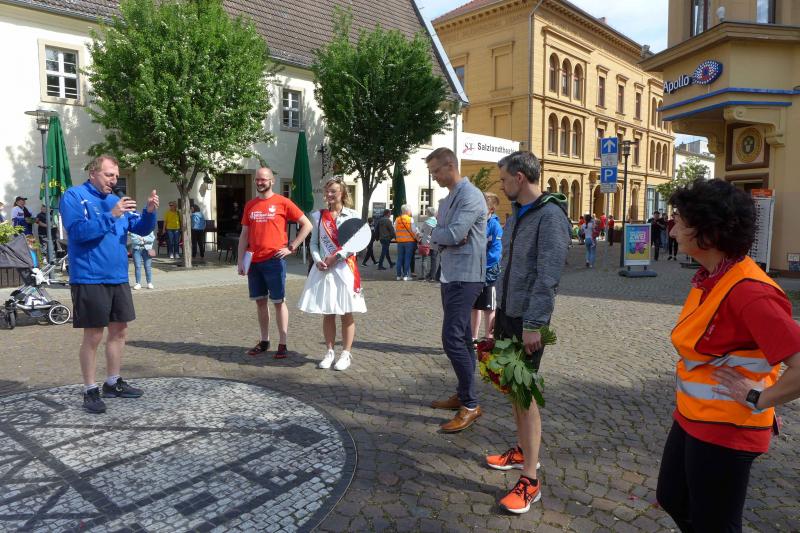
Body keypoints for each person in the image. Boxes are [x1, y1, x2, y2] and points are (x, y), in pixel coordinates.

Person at [655, 178, 800, 532]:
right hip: (693, 417)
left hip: (728, 429)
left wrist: (759, 398)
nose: (672, 231)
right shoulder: (712, 277)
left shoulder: (750, 292)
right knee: (673, 498)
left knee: (715, 524)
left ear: (708, 232)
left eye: (680, 222)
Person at [484, 151, 570, 514]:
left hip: (529, 322)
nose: (502, 185)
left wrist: (534, 323)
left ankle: (530, 481)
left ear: (520, 178)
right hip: (509, 314)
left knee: (525, 392)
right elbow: (508, 266)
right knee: (512, 388)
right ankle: (521, 451)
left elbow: (547, 276)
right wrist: (498, 310)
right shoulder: (518, 212)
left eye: (504, 179)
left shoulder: (550, 216)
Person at [59, 155, 159, 414]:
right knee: (93, 335)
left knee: (120, 331)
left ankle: (113, 382)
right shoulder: (74, 196)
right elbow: (77, 232)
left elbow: (140, 228)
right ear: (93, 173)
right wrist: (111, 214)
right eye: (108, 175)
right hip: (89, 277)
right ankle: (90, 389)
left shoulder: (117, 200)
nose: (114, 180)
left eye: (116, 175)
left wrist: (149, 211)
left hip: (118, 277)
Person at [426, 147, 487, 433]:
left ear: (450, 166)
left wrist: (439, 236)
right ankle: (464, 395)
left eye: (436, 171)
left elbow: (453, 234)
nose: (434, 177)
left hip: (466, 276)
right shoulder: (449, 198)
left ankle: (471, 405)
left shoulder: (470, 195)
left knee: (451, 338)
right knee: (461, 338)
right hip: (451, 274)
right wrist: (442, 236)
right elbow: (445, 235)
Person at [238, 167, 312, 359]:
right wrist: (240, 261)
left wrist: (292, 246)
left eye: (263, 179)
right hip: (254, 261)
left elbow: (307, 224)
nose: (260, 182)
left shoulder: (282, 202)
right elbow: (244, 234)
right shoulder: (250, 205)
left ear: (272, 181)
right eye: (257, 179)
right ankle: (264, 340)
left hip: (274, 260)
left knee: (279, 302)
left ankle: (283, 343)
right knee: (260, 302)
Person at [298, 177, 366, 371]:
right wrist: (317, 259)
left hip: (344, 269)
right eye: (327, 191)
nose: (329, 195)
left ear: (342, 193)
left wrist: (336, 257)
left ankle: (346, 353)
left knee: (346, 312)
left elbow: (357, 243)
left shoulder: (352, 215)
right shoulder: (319, 216)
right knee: (328, 312)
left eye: (333, 191)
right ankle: (329, 352)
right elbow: (314, 243)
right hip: (325, 269)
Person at [471, 192, 503, 340]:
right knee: (474, 306)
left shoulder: (495, 226)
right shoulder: (476, 223)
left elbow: (496, 252)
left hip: (489, 271)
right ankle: (473, 338)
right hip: (474, 271)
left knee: (489, 307)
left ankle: (489, 339)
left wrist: (481, 264)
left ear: (490, 209)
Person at [394, 205, 418, 281]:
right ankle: (405, 276)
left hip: (400, 242)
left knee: (399, 258)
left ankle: (398, 276)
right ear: (407, 211)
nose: (410, 212)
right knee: (407, 258)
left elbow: (395, 230)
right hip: (409, 242)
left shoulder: (397, 219)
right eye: (410, 210)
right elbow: (414, 230)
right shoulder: (410, 219)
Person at [418, 207, 438, 282]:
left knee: (424, 259)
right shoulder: (437, 222)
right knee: (434, 260)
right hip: (434, 243)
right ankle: (432, 277)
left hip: (426, 242)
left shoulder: (426, 222)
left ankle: (423, 276)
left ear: (427, 213)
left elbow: (421, 232)